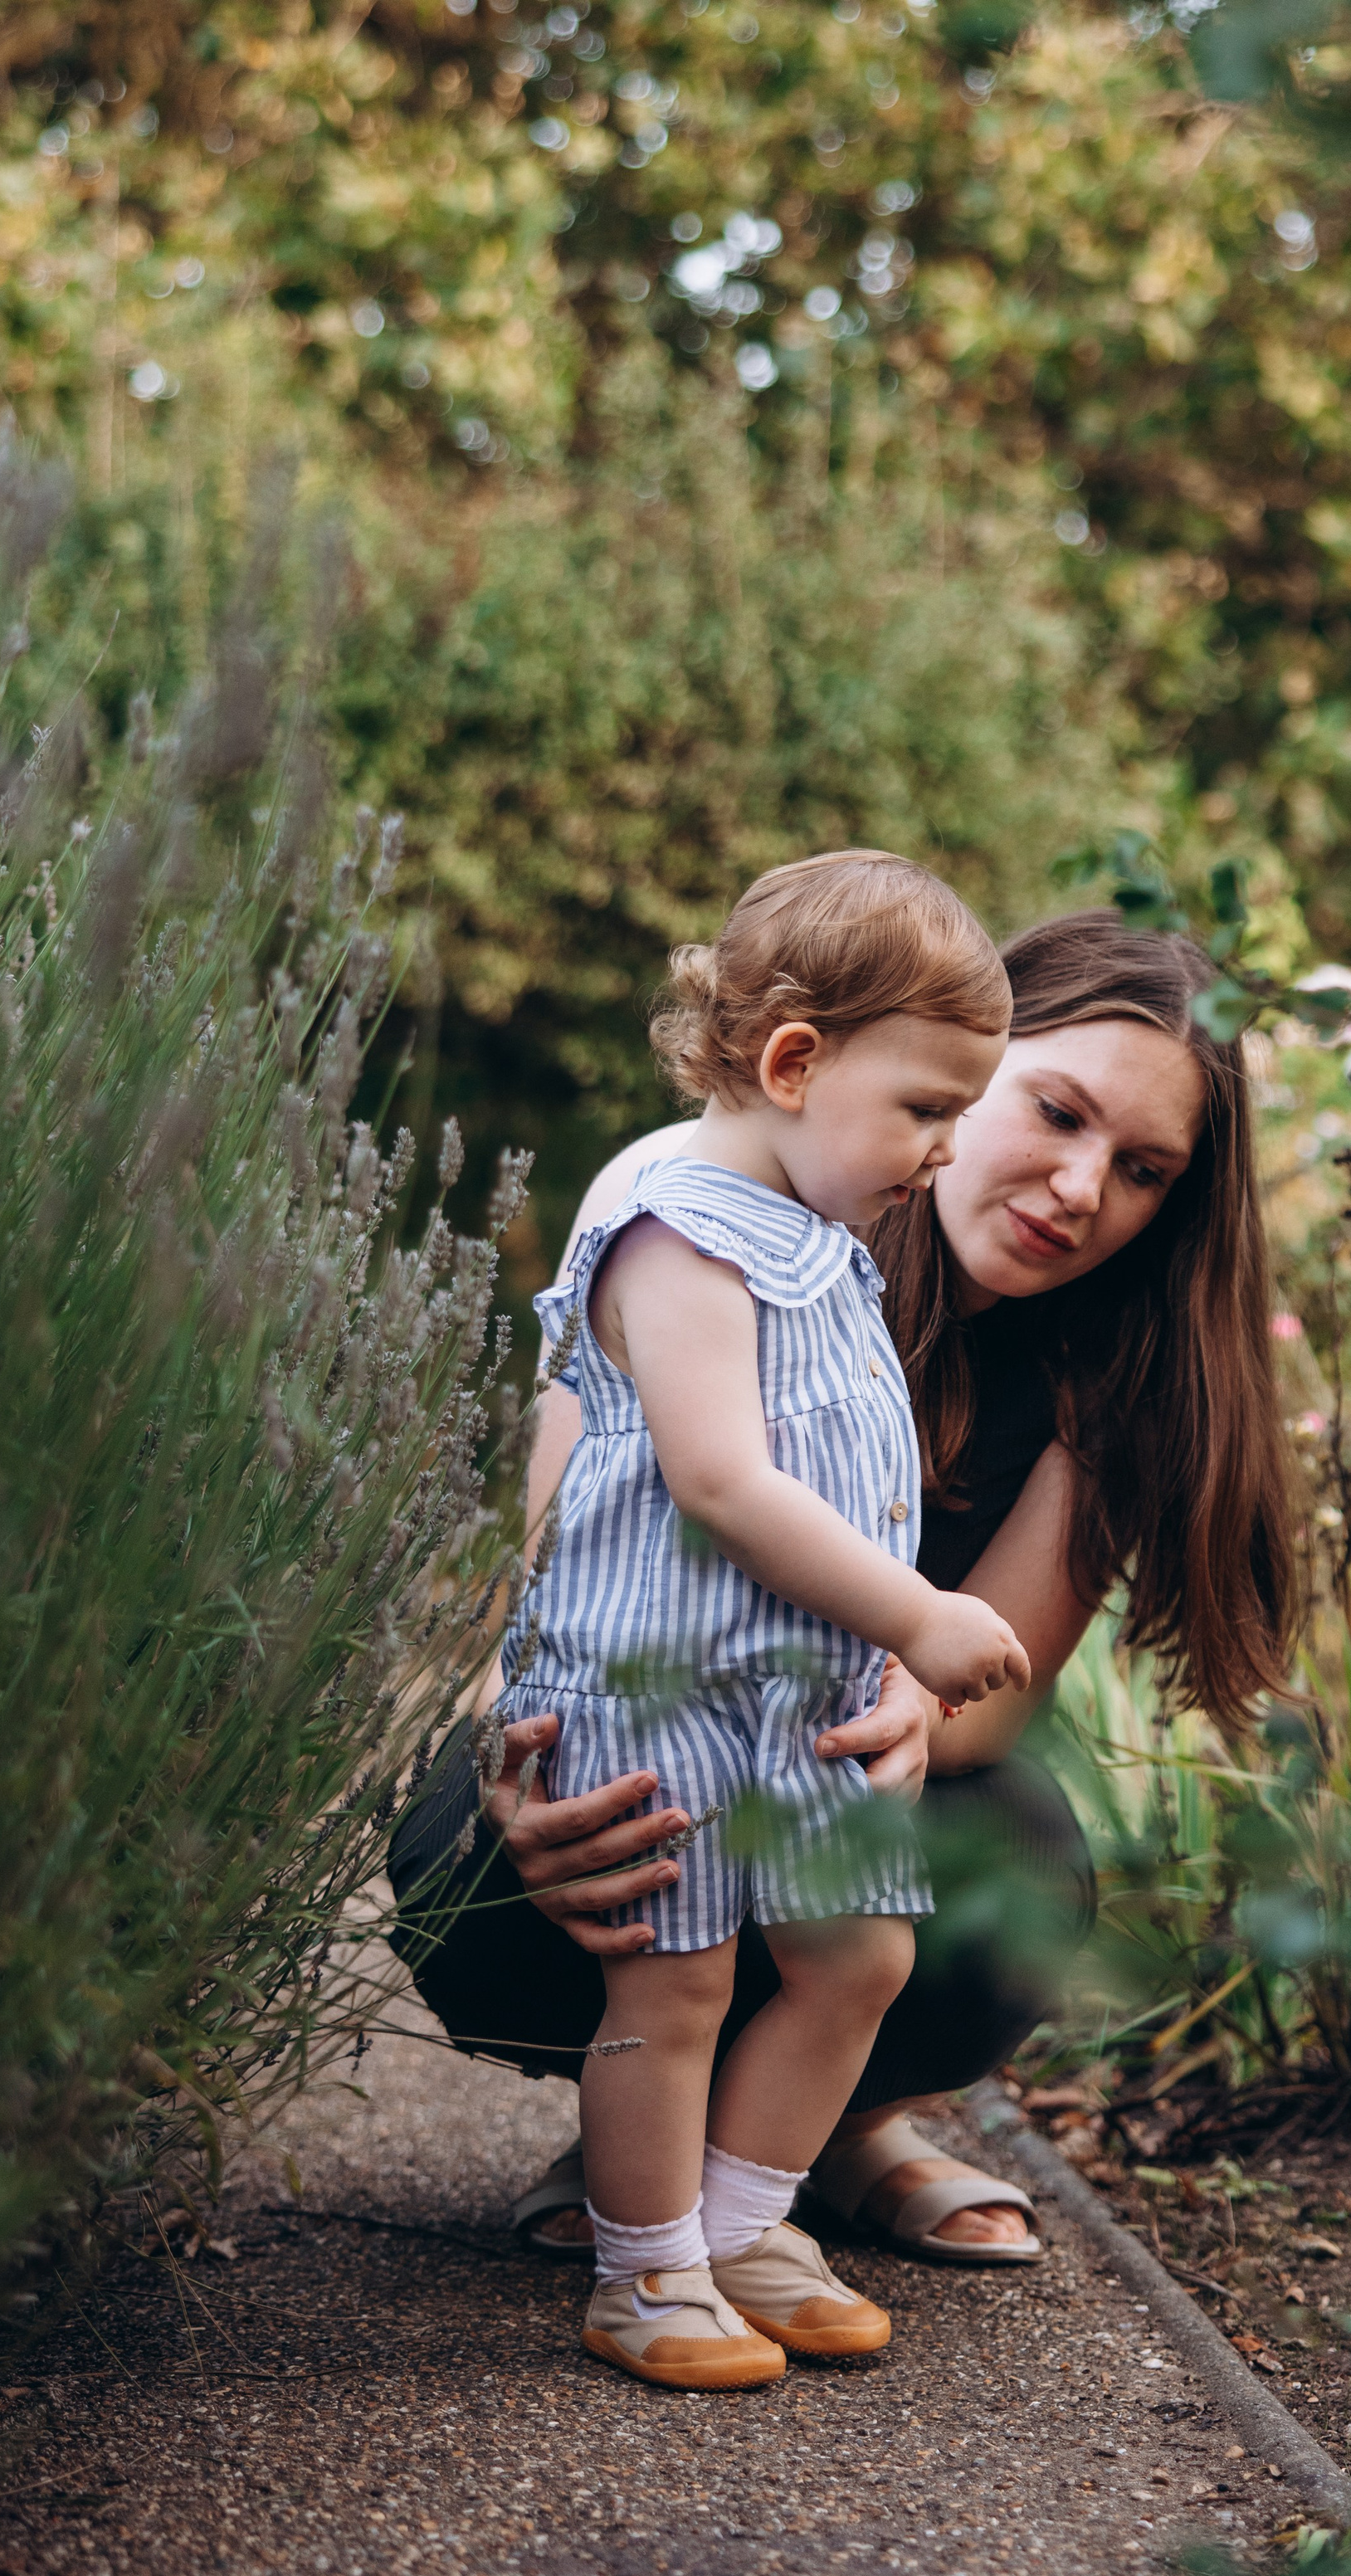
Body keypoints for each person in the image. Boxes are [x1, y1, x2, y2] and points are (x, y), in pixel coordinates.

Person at [391, 907, 1299, 2278]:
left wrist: (911, 1709)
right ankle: (654, 2159)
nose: (1078, 1184)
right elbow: (555, 1565)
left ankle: (828, 2139)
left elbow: (993, 1687)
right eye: (1054, 1112)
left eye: (1142, 1170)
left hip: (842, 1775)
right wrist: (517, 1760)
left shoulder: (1108, 1383)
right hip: (657, 1718)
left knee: (1010, 1855)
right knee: (492, 1840)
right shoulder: (711, 1238)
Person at [494, 849, 1028, 2392]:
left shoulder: (808, 1224)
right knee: (675, 1987)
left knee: (857, 1957)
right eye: (926, 1109)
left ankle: (739, 2225)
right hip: (658, 1687)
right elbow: (719, 1478)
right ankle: (644, 2271)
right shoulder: (678, 1223)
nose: (943, 1150)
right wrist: (921, 1615)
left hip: (794, 1690)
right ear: (794, 1062)